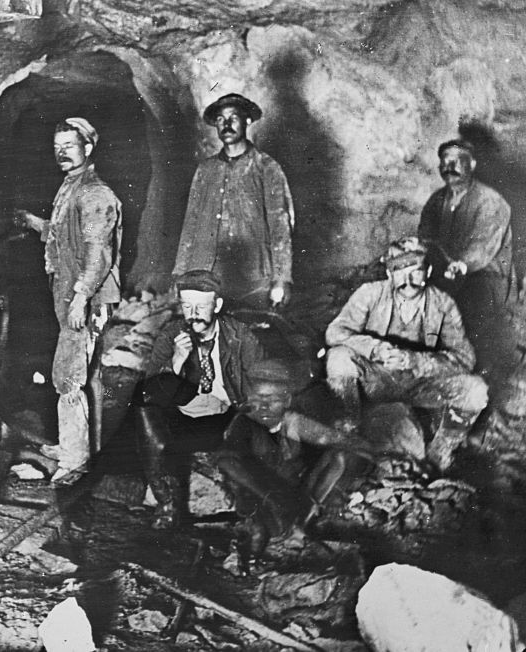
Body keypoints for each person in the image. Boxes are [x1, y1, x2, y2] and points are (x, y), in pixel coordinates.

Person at [15, 117, 123, 484]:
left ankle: (75, 461)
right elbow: (61, 233)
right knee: (72, 371)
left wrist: (80, 299)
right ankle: (71, 443)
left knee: (68, 375)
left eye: (70, 146)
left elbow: (98, 254)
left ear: (88, 148)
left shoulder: (94, 194)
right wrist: (32, 222)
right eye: (57, 146)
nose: (62, 153)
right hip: (70, 292)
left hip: (85, 297)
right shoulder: (71, 186)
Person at [324, 236, 488, 473]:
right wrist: (375, 348)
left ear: (428, 270)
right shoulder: (370, 293)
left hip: (420, 383)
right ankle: (350, 433)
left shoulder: (443, 304)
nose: (408, 280)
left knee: (476, 390)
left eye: (416, 271)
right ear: (389, 274)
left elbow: (464, 359)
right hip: (377, 379)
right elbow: (336, 332)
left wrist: (415, 360)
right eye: (399, 271)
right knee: (338, 357)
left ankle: (440, 453)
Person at [135, 269, 265, 529]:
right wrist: (176, 363)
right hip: (186, 416)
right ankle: (169, 505)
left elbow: (261, 385)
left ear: (216, 305)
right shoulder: (172, 335)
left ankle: (247, 510)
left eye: (201, 306)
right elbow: (151, 391)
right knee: (143, 411)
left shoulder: (240, 336)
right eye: (187, 306)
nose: (193, 313)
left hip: (228, 416)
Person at [215, 358, 371, 559]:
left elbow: (339, 441)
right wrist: (269, 498)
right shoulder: (244, 424)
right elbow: (226, 461)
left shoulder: (291, 422)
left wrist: (382, 457)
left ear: (287, 401)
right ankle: (283, 533)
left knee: (338, 457)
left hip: (290, 492)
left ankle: (301, 522)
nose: (263, 406)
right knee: (269, 532)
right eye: (258, 398)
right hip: (259, 495)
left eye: (272, 399)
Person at [173, 93, 294, 309]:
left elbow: (280, 227)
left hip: (253, 278)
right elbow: (190, 224)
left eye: (233, 118)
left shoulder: (266, 167)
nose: (226, 124)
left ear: (247, 121)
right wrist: (180, 272)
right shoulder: (205, 170)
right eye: (220, 119)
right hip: (206, 274)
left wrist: (282, 278)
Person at [418, 138, 517, 378]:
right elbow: (425, 239)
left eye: (456, 161)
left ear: (471, 164)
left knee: (472, 309)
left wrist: (461, 265)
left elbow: (482, 247)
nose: (448, 166)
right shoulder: (436, 201)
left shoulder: (490, 201)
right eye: (444, 161)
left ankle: (480, 372)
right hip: (450, 275)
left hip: (486, 278)